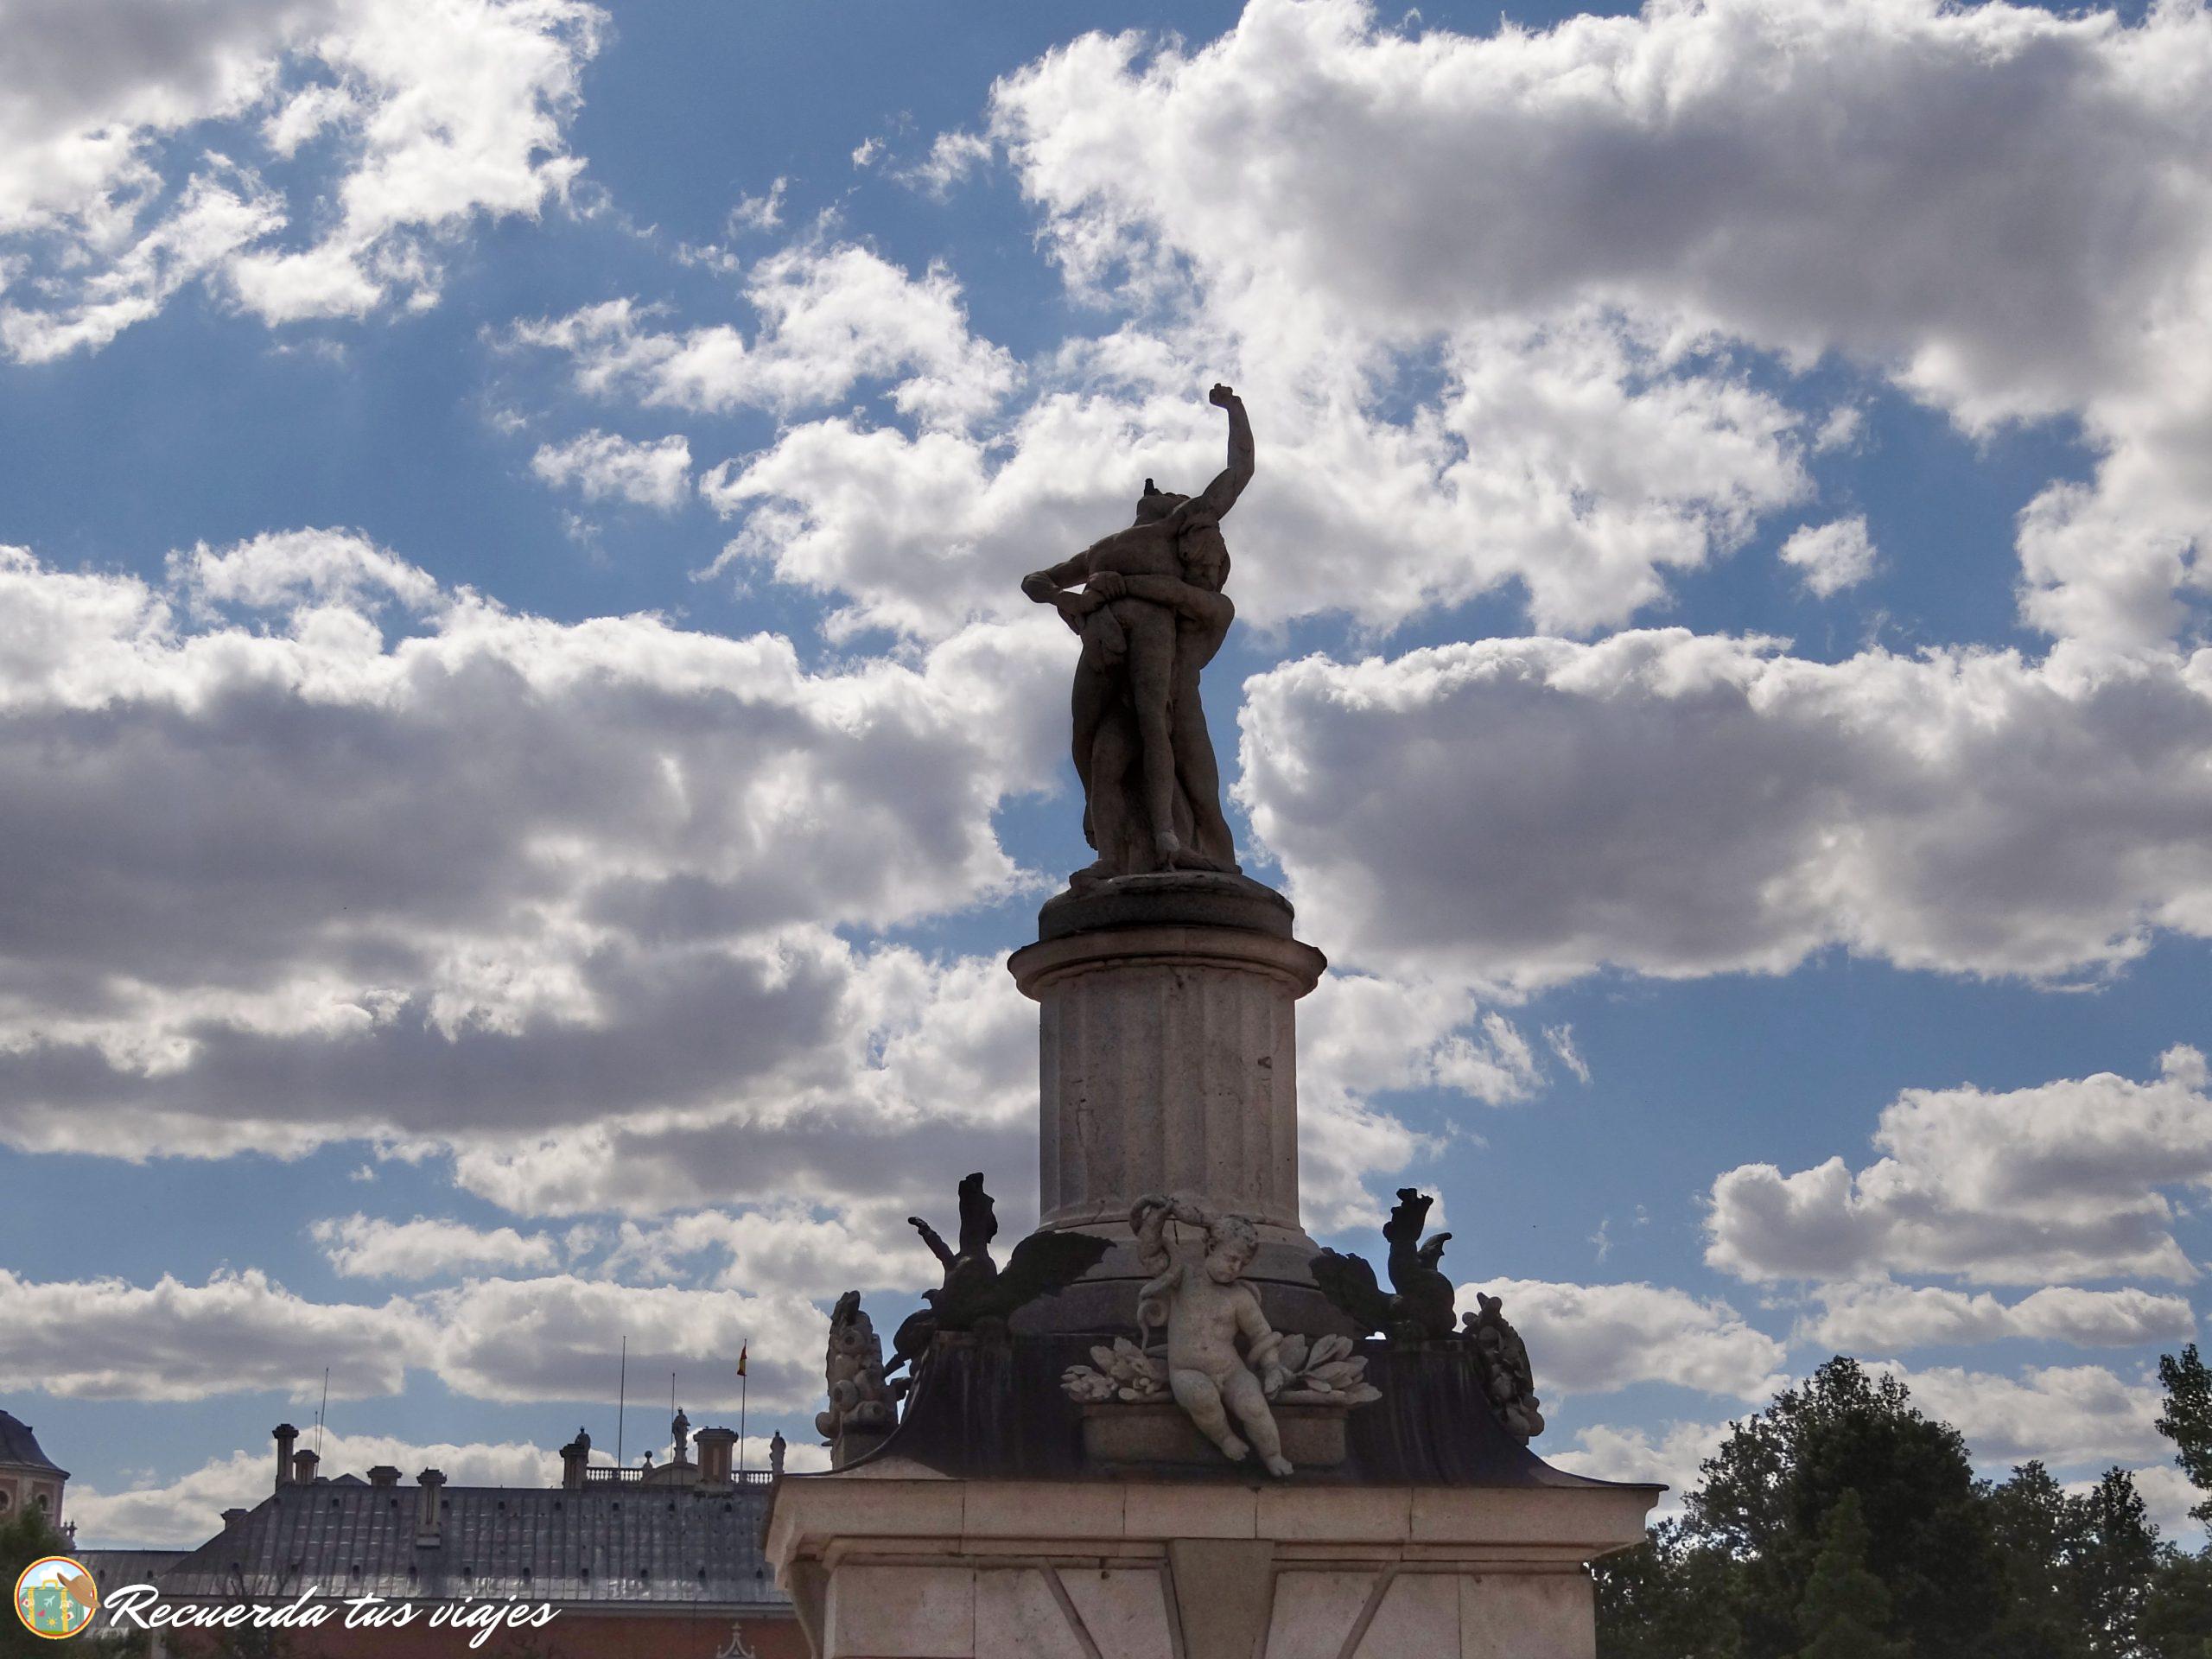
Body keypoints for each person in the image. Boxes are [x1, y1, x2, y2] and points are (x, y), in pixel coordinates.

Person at [1021, 385, 1252, 879]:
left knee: (1155, 727)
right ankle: (1110, 851)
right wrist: (1066, 599)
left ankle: (1171, 841)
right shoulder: (1099, 551)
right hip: (1103, 646)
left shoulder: (1176, 528)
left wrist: (1235, 410)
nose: (1167, 491)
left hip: (1151, 643)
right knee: (1089, 744)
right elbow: (1036, 579)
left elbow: (1239, 472)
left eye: (1176, 494)